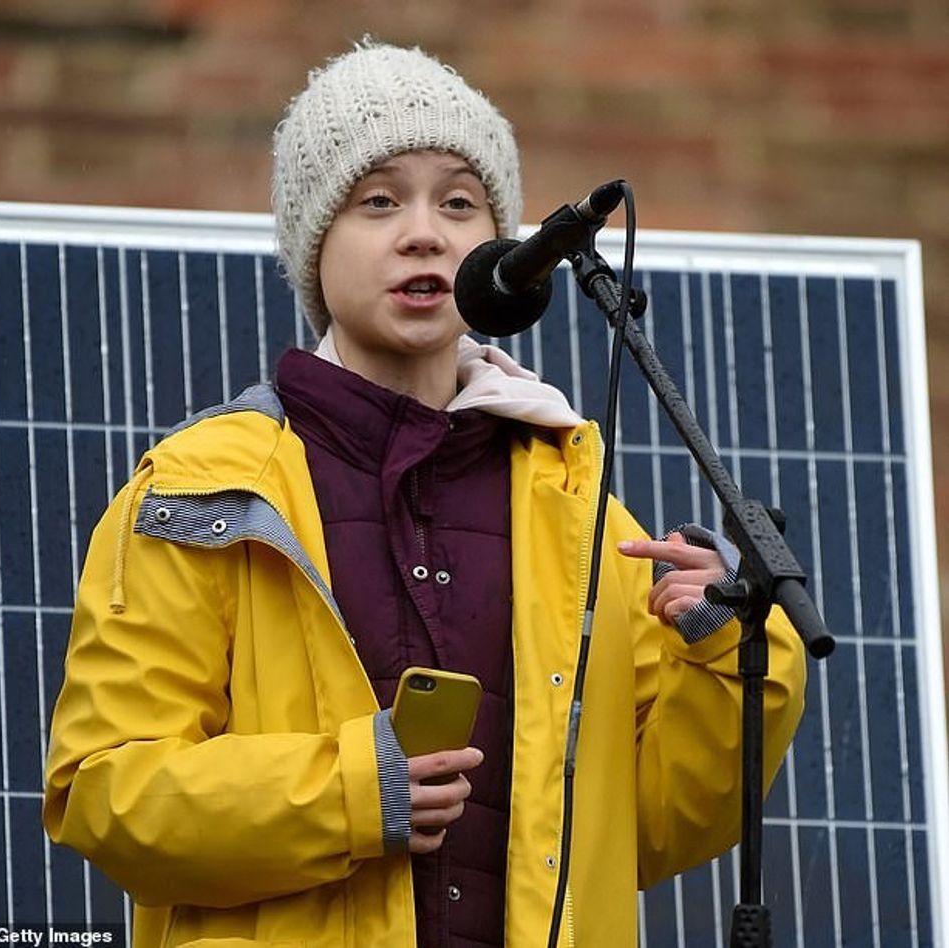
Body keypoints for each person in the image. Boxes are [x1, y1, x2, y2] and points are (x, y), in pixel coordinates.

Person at [43, 39, 806, 948]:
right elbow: (106, 794)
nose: (425, 232)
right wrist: (354, 791)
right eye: (377, 201)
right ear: (312, 244)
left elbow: (641, 829)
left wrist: (726, 663)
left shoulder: (574, 505)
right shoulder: (202, 495)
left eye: (458, 201)